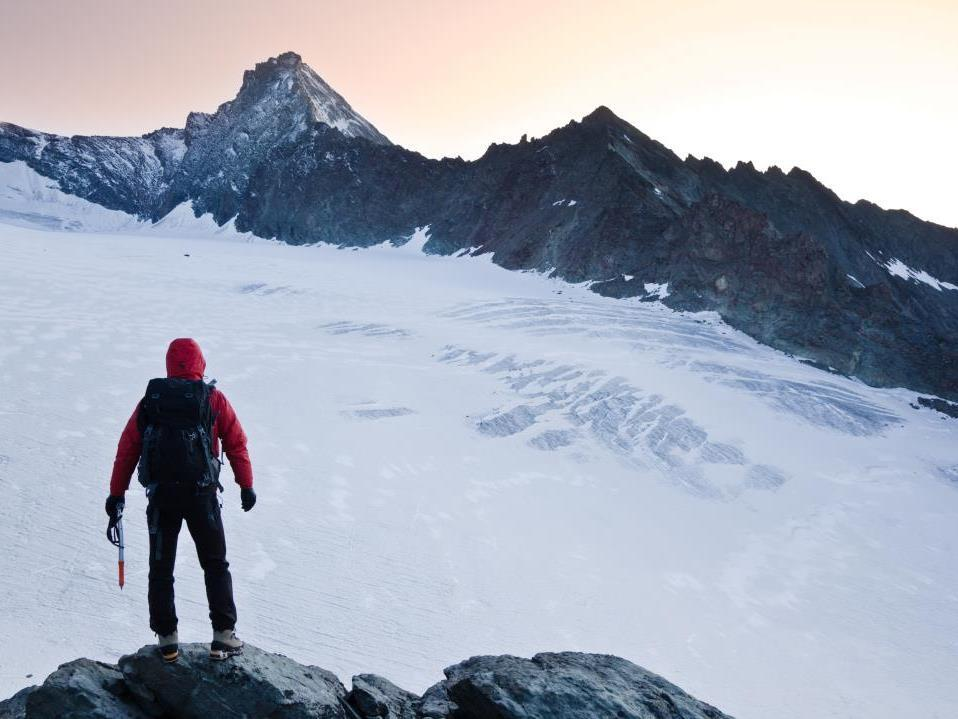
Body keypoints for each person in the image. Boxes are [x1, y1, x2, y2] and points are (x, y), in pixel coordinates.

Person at [104, 338, 256, 663]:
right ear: (201, 362)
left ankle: (167, 641)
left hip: (162, 497)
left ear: (170, 364)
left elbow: (127, 448)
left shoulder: (152, 401)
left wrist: (116, 494)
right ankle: (223, 636)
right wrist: (246, 484)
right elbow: (236, 442)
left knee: (161, 568)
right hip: (202, 496)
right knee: (215, 564)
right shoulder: (212, 399)